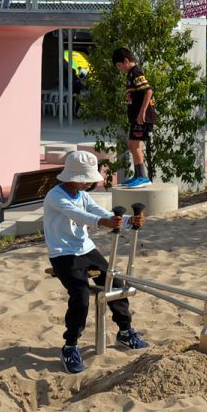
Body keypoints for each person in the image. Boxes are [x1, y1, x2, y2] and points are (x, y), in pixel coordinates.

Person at [42, 149, 147, 375]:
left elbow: (100, 211)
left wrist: (128, 220)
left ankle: (125, 331)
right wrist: (103, 222)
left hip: (85, 249)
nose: (89, 182)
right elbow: (79, 216)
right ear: (74, 176)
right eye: (86, 178)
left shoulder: (82, 194)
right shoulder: (55, 196)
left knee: (115, 283)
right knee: (80, 296)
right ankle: (70, 346)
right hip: (62, 253)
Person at [114, 47, 156, 187]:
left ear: (126, 61)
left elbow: (148, 91)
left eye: (119, 66)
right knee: (132, 145)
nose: (120, 69)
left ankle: (143, 177)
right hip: (135, 117)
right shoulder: (130, 75)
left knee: (135, 145)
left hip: (141, 117)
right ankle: (138, 174)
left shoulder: (136, 72)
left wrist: (142, 112)